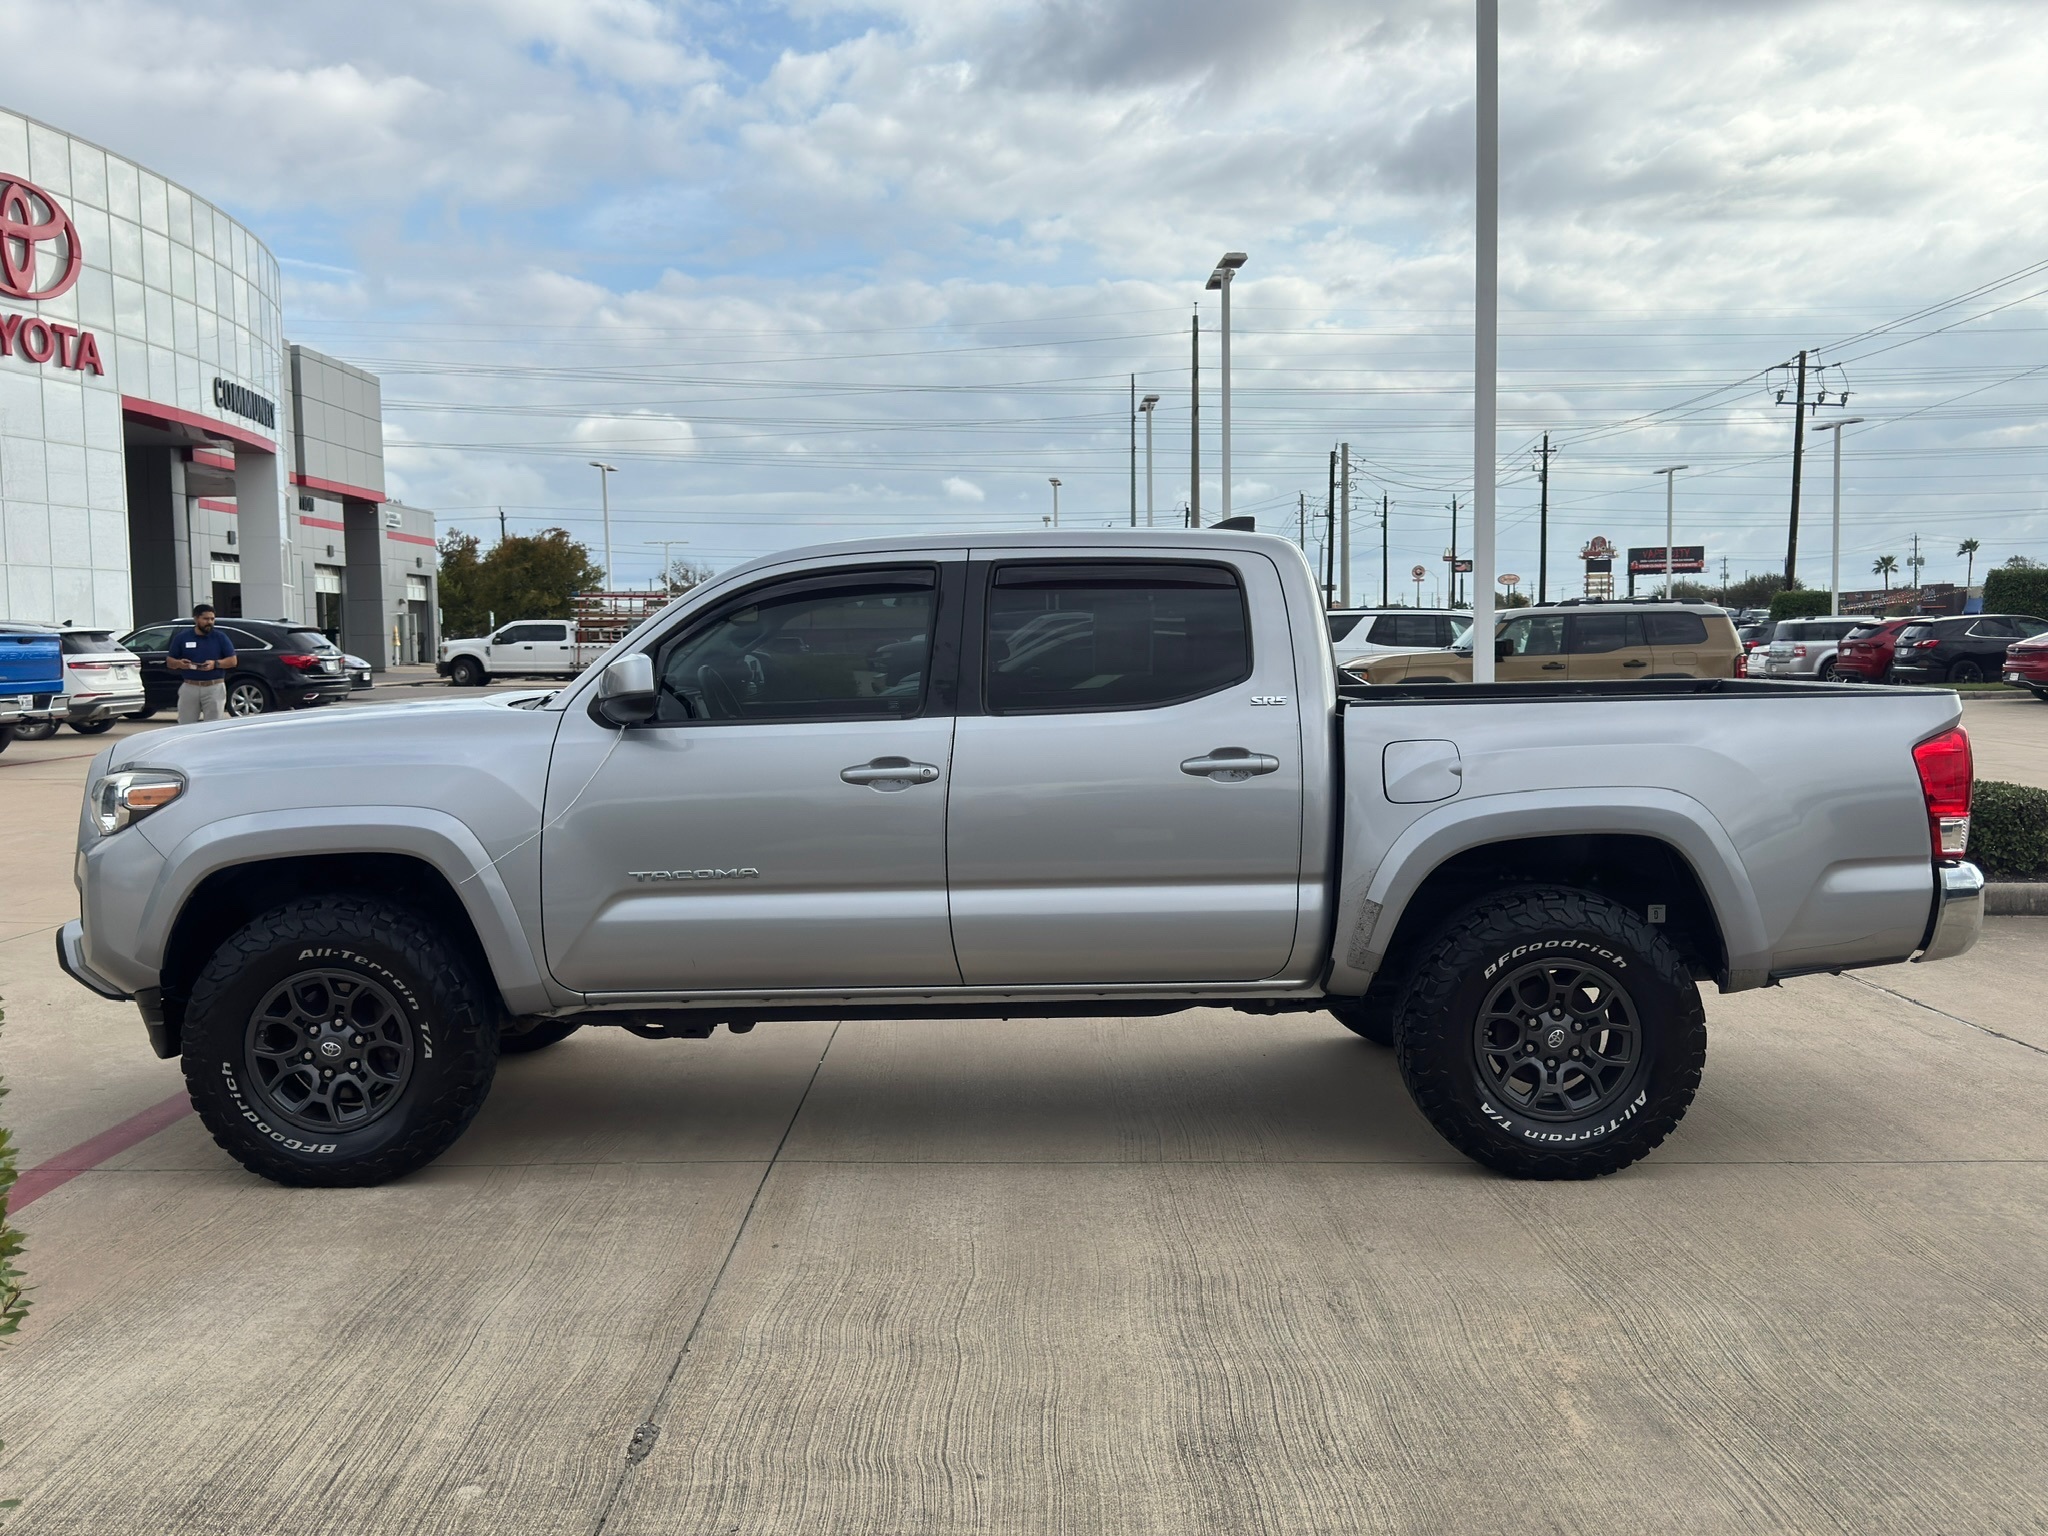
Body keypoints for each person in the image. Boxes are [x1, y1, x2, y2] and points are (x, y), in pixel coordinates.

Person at [169, 604, 237, 723]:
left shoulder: (220, 637)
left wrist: (215, 664)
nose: (209, 622)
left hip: (214, 687)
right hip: (190, 687)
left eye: (212, 619)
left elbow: (233, 661)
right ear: (196, 619)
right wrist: (180, 663)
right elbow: (170, 661)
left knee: (213, 726)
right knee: (186, 725)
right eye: (206, 619)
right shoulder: (182, 638)